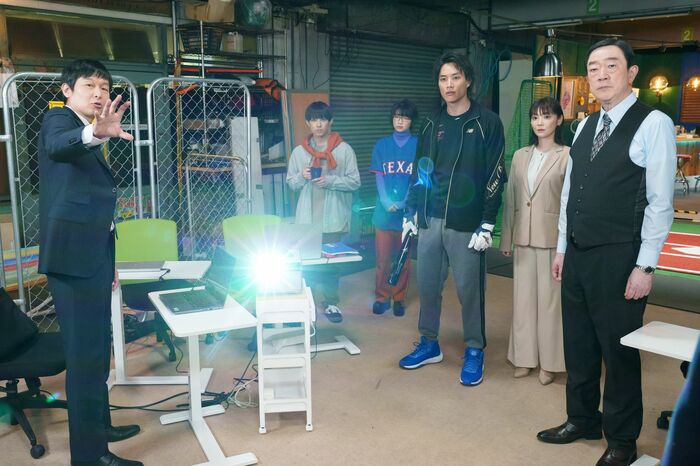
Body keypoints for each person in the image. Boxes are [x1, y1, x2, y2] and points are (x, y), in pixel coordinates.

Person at [536, 39, 675, 466]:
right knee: (578, 344)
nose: (600, 74)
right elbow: (569, 194)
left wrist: (645, 265)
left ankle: (622, 440)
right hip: (577, 254)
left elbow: (660, 202)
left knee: (618, 352)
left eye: (611, 65)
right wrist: (562, 248)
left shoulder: (653, 123)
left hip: (620, 257)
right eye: (593, 67)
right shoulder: (584, 126)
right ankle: (581, 419)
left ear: (631, 73)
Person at [38, 59, 143, 466]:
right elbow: (58, 146)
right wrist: (95, 132)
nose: (99, 93)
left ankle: (100, 428)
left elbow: (95, 205)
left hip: (93, 258)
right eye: (89, 85)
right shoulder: (59, 120)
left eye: (104, 87)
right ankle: (89, 456)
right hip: (71, 261)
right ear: (68, 90)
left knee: (98, 353)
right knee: (83, 362)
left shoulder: (90, 130)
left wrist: (108, 259)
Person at [398, 51, 506, 386]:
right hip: (430, 219)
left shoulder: (487, 122)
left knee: (469, 291)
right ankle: (429, 342)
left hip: (467, 224)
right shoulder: (431, 124)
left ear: (468, 81)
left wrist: (487, 222)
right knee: (428, 286)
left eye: (455, 77)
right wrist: (411, 211)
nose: (449, 85)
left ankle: (474, 348)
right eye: (443, 79)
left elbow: (495, 173)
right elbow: (420, 171)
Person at [500, 96, 568, 385]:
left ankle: (550, 363)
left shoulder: (567, 155)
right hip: (523, 238)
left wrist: (566, 245)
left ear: (559, 120)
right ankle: (524, 358)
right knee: (523, 302)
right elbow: (511, 199)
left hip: (552, 239)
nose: (540, 122)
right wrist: (506, 238)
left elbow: (568, 204)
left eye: (547, 116)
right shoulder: (520, 155)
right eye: (535, 117)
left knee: (551, 305)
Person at [286, 101, 360, 323]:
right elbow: (291, 184)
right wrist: (302, 176)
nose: (318, 124)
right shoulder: (299, 152)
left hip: (333, 218)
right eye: (314, 119)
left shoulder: (344, 150)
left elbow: (355, 182)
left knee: (331, 265)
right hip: (307, 219)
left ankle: (331, 303)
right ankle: (305, 304)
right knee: (306, 263)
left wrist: (330, 181)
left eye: (323, 119)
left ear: (330, 122)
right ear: (307, 123)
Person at [370, 99, 418, 317]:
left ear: (411, 121)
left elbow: (416, 179)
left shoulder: (418, 145)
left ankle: (399, 298)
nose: (400, 121)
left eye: (405, 117)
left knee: (403, 260)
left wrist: (404, 202)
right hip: (383, 212)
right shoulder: (381, 145)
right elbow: (379, 175)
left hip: (406, 214)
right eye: (397, 117)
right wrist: (384, 200)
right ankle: (382, 297)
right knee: (382, 259)